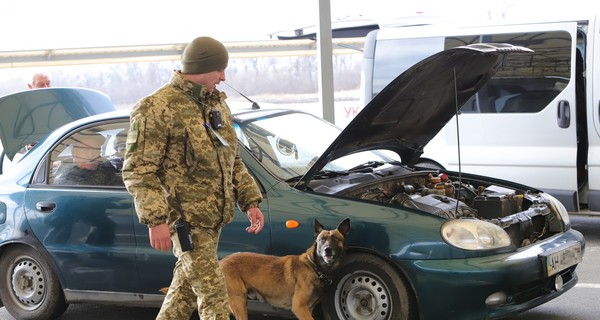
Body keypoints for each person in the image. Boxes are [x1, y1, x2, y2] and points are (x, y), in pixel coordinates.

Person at [122, 36, 265, 320]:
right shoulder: (156, 108)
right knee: (213, 293)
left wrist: (250, 201)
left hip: (214, 218)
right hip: (185, 222)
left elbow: (232, 159)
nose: (224, 78)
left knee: (184, 293)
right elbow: (138, 169)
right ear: (202, 67)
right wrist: (156, 220)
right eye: (220, 70)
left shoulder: (216, 106)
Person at [53, 133, 122, 186]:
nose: (91, 154)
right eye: (85, 149)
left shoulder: (105, 166)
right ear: (74, 153)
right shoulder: (68, 179)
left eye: (96, 149)